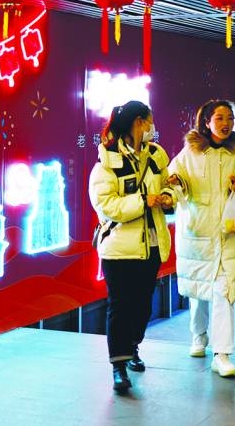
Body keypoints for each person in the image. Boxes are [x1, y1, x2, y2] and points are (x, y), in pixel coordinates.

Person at [168, 99, 235, 378]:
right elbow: (174, 180)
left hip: (227, 235)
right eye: (219, 118)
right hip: (197, 234)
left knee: (223, 292)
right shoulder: (190, 152)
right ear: (206, 121)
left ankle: (222, 354)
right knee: (199, 291)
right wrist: (177, 184)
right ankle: (198, 336)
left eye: (230, 118)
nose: (226, 124)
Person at [88, 101, 176, 394]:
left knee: (141, 305)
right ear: (138, 123)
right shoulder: (107, 161)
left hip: (151, 245)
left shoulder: (156, 156)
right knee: (120, 306)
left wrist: (166, 195)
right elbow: (107, 205)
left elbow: (168, 184)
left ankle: (132, 347)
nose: (152, 127)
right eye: (149, 121)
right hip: (118, 249)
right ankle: (118, 365)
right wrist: (143, 201)